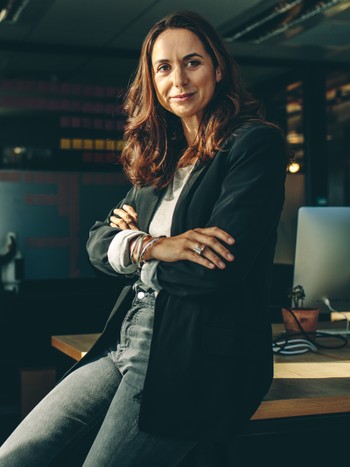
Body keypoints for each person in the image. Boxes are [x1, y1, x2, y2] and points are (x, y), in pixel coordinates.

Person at [0, 10, 287, 467]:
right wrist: (152, 245)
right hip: (125, 338)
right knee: (14, 455)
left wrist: (133, 250)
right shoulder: (162, 159)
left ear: (217, 66)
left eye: (192, 62)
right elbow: (97, 243)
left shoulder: (253, 145)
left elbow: (215, 271)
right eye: (164, 68)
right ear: (152, 81)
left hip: (191, 355)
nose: (179, 79)